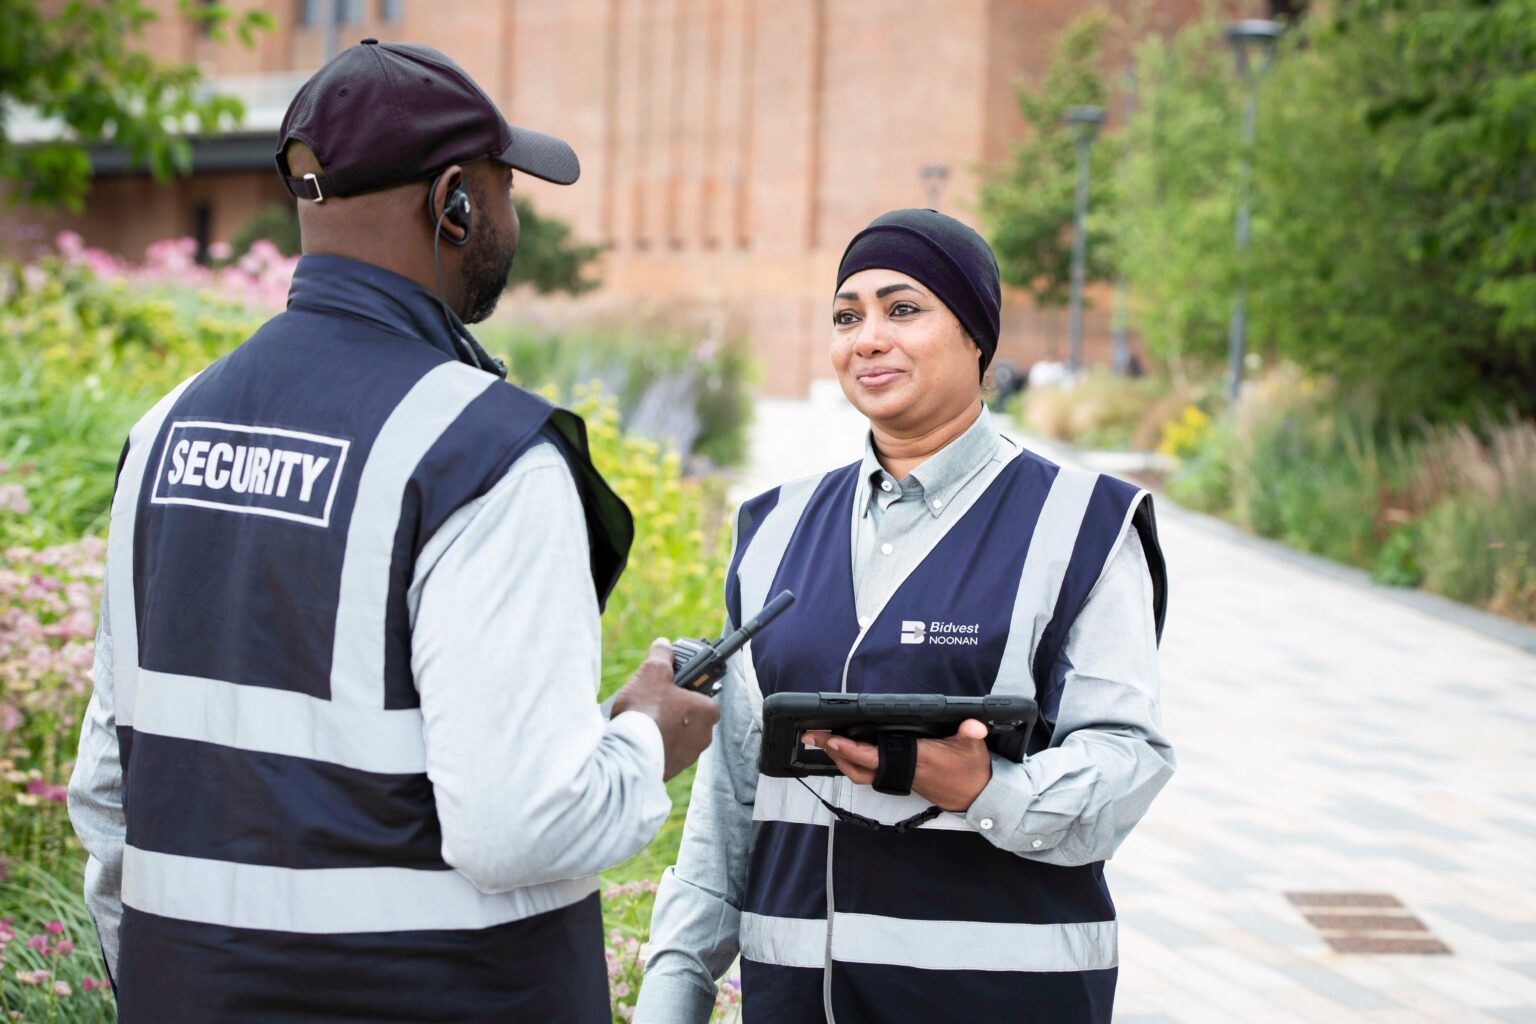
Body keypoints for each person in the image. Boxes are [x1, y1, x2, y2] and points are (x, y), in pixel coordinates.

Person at [65, 39, 717, 1023]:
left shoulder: (163, 433)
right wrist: (644, 739)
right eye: (505, 189)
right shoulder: (484, 453)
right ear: (453, 201)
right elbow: (520, 827)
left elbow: (112, 794)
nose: (512, 217)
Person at [635, 209, 1173, 1023]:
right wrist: (670, 997)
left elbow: (1127, 761)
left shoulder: (1084, 525)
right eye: (847, 316)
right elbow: (730, 798)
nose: (867, 338)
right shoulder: (773, 525)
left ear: (977, 338)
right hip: (797, 1004)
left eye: (903, 309)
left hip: (1003, 1002)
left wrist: (988, 786)